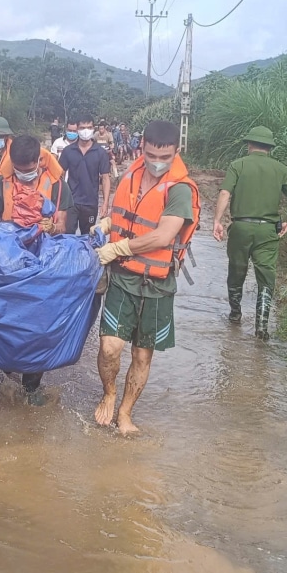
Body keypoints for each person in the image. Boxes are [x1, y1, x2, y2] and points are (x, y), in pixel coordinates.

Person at [93, 120, 200, 434]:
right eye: (152, 154)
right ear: (142, 149)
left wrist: (120, 247)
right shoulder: (132, 174)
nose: (157, 162)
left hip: (156, 282)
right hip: (123, 276)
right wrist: (106, 225)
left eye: (165, 157)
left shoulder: (180, 189)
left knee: (141, 353)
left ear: (175, 153)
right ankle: (109, 393)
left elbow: (164, 235)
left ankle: (125, 413)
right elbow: (123, 214)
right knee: (110, 347)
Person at [0, 135, 74, 404]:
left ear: (39, 161)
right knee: (6, 321)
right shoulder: (2, 185)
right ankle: (8, 370)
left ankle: (31, 386)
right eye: (20, 169)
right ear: (12, 163)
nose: (25, 174)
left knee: (38, 326)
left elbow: (63, 227)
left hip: (43, 268)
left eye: (30, 169)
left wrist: (52, 226)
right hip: (9, 265)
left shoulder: (58, 186)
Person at [212, 126, 287, 341]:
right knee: (266, 277)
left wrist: (217, 220)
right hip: (268, 230)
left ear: (249, 144)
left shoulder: (238, 165)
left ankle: (235, 315)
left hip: (241, 228)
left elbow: (225, 192)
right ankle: (261, 326)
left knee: (236, 271)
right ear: (269, 148)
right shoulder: (280, 169)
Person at [59, 116, 112, 235]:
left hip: (90, 203)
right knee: (67, 236)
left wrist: (105, 203)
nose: (85, 131)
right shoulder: (68, 151)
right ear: (77, 129)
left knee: (88, 237)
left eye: (89, 127)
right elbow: (59, 176)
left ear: (94, 129)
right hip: (70, 202)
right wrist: (59, 202)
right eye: (82, 128)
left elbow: (105, 179)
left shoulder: (100, 153)